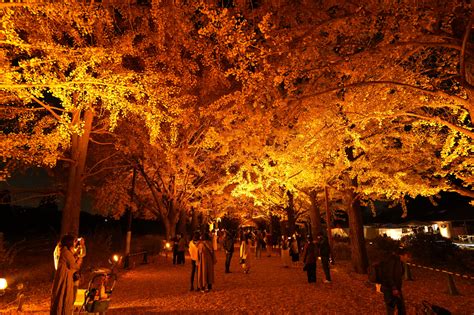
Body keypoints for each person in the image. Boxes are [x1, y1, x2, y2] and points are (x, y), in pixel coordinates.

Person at [50, 234, 83, 315]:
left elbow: (73, 257)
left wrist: (80, 248)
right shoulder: (66, 252)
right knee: (63, 296)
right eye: (74, 241)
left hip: (65, 277)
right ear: (69, 242)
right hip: (64, 278)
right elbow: (74, 265)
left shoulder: (65, 251)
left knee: (63, 296)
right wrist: (79, 261)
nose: (75, 243)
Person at [379, 249, 406, 315]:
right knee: (390, 308)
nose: (409, 259)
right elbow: (388, 275)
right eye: (408, 257)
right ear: (402, 255)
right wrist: (394, 288)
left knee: (401, 307)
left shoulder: (400, 262)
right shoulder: (392, 260)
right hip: (388, 288)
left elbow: (399, 275)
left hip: (397, 288)